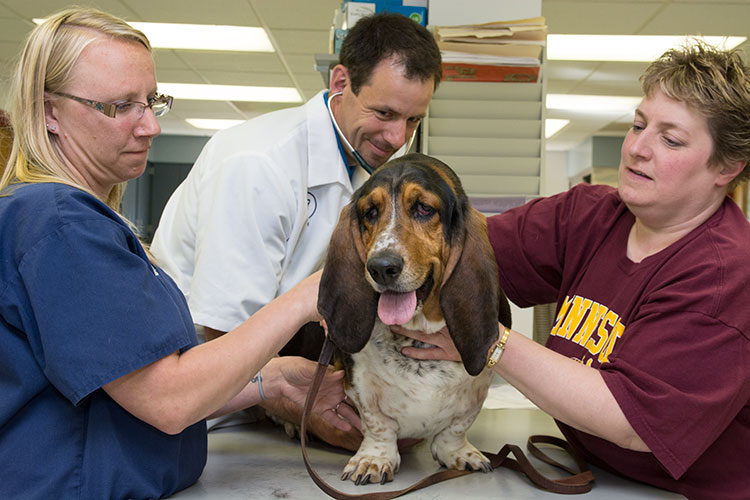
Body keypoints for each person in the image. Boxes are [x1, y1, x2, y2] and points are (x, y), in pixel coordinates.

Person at [0, 8, 356, 500]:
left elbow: (129, 387)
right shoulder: (61, 223)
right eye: (120, 106)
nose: (150, 127)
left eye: (152, 101)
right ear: (49, 113)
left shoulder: (61, 217)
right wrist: (304, 298)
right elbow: (169, 399)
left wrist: (268, 382)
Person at [398, 41, 750, 500]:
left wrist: (487, 338)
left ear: (727, 166)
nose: (638, 148)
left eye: (670, 139)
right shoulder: (592, 215)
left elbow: (629, 422)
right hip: (596, 471)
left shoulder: (724, 276)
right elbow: (463, 250)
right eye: (639, 125)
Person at [149, 13, 442, 444]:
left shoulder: (369, 165)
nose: (398, 137)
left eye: (414, 120)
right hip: (209, 415)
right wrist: (295, 400)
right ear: (341, 82)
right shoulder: (257, 165)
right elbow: (222, 333)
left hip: (268, 391)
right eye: (384, 112)